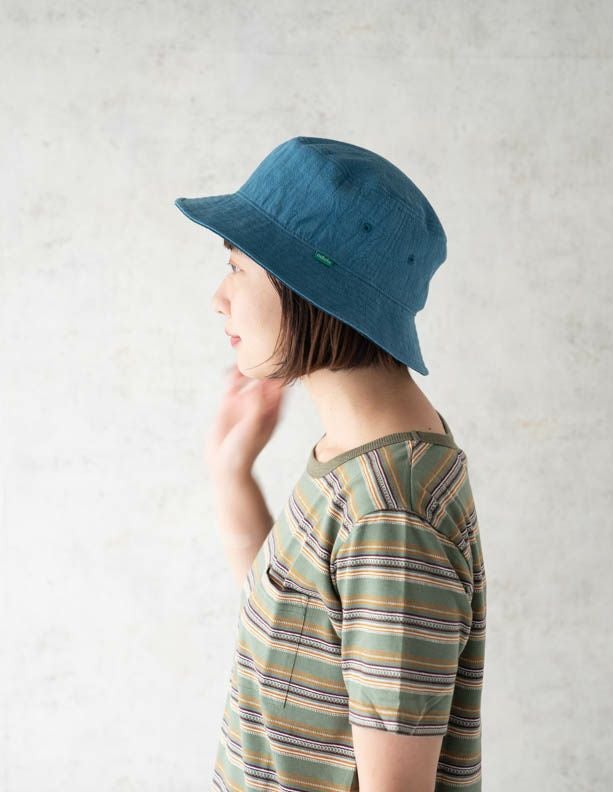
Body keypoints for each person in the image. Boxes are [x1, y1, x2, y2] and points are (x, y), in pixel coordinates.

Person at [174, 136, 486, 791]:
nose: (218, 298)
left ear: (308, 286)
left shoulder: (391, 515)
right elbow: (293, 628)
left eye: (237, 267)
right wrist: (231, 472)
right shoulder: (359, 456)